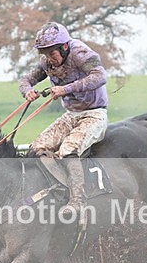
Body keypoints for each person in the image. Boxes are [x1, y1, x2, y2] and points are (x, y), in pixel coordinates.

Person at [18, 22, 108, 218]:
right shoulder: (46, 63)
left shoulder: (81, 53)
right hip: (71, 116)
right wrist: (28, 91)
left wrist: (66, 89)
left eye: (52, 53)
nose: (49, 59)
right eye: (45, 54)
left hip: (94, 114)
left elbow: (100, 76)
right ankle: (54, 189)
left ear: (64, 47)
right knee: (36, 148)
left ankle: (77, 201)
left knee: (68, 150)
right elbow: (25, 81)